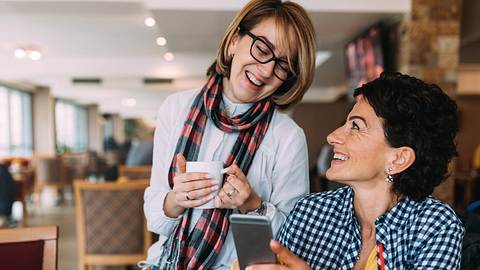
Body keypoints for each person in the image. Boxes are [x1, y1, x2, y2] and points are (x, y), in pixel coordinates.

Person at [141, 0, 316, 269]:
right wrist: (176, 199)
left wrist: (253, 204)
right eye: (262, 49)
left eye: (282, 65)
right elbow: (154, 216)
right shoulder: (176, 108)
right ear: (235, 41)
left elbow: (294, 239)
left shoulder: (287, 136)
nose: (267, 70)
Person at [247, 73, 465, 270]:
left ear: (398, 158)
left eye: (356, 127)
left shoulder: (434, 225)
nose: (332, 136)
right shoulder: (310, 211)